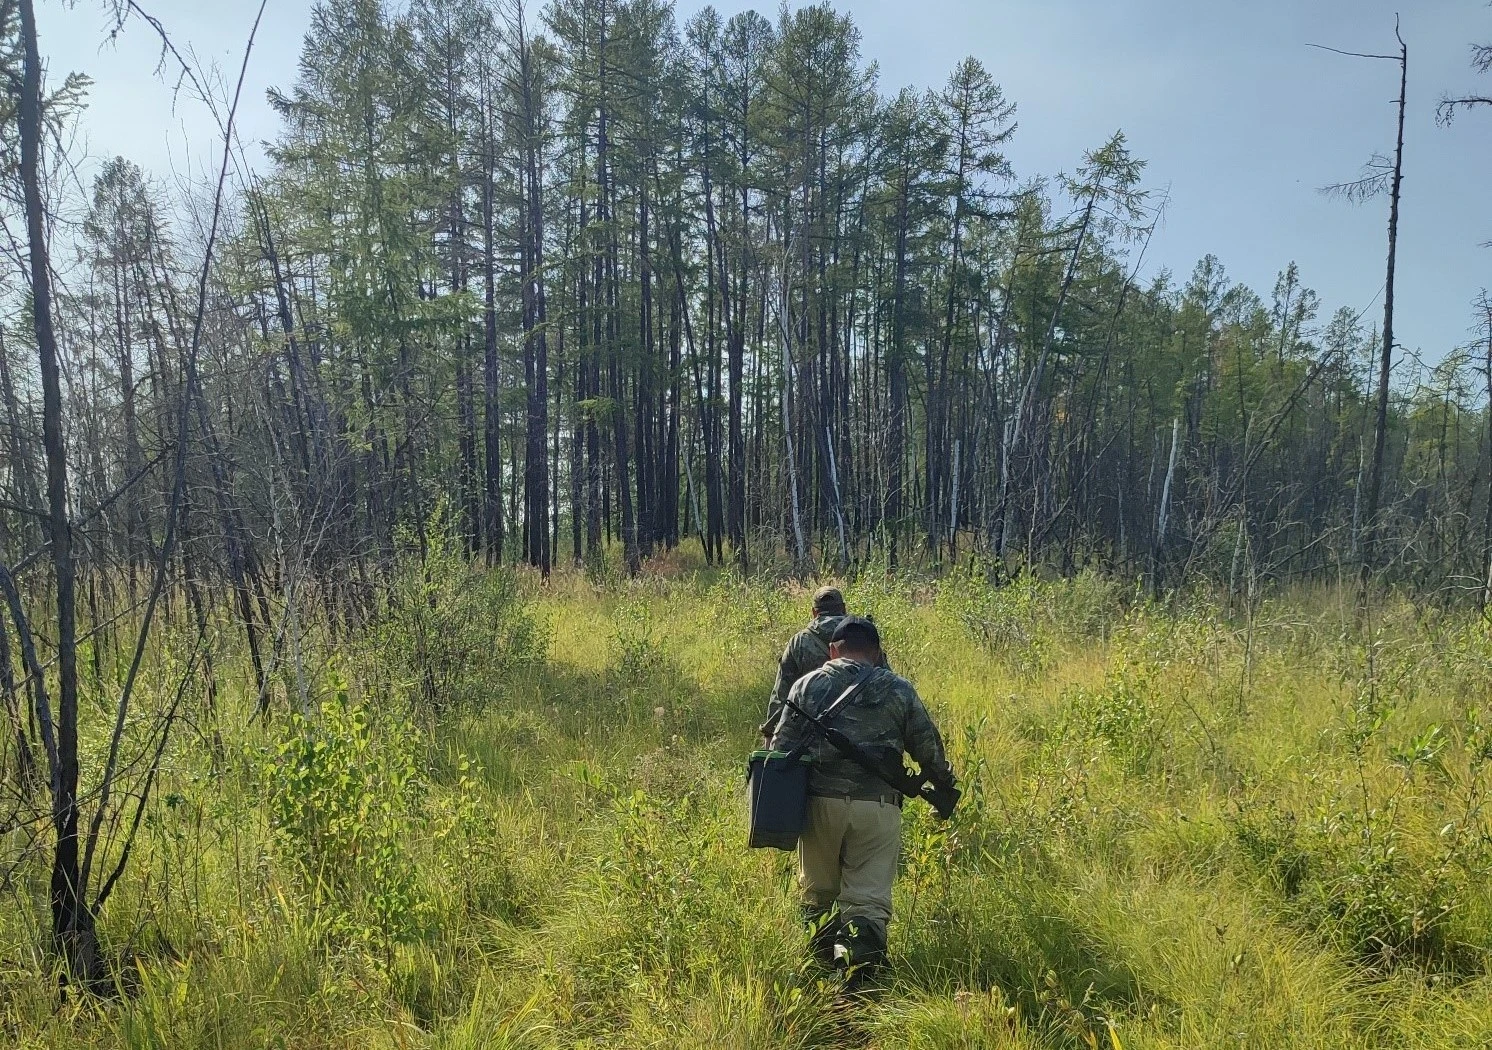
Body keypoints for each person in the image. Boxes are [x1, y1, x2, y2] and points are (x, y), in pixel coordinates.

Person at [768, 616, 956, 982]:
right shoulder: (900, 689)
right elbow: (929, 750)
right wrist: (944, 788)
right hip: (879, 807)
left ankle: (819, 972)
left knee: (818, 894)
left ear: (833, 650)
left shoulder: (807, 684)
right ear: (877, 652)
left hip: (820, 805)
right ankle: (858, 986)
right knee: (867, 902)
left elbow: (779, 751)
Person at [760, 586, 888, 743]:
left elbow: (782, 693)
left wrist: (769, 732)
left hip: (814, 737)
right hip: (867, 733)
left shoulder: (799, 641)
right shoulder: (862, 636)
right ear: (843, 608)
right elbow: (886, 683)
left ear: (814, 612)